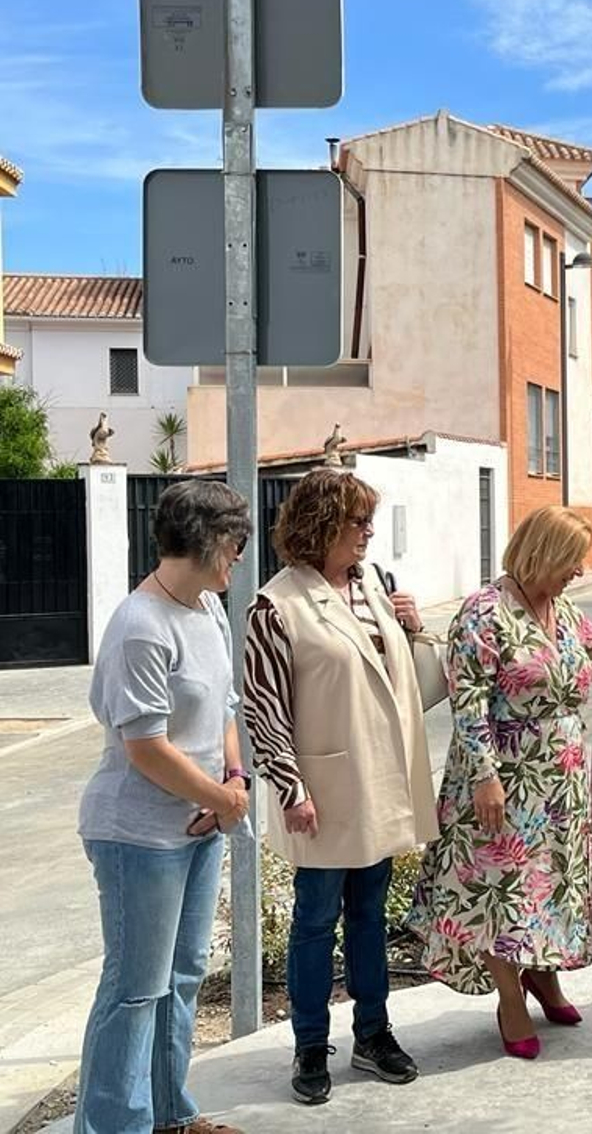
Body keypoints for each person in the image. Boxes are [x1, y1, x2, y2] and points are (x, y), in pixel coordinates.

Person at [408, 506, 592, 1060]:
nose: (578, 573)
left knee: (551, 886)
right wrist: (485, 777)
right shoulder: (483, 612)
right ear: (543, 554)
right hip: (500, 782)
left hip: (559, 783)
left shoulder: (565, 612)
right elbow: (469, 703)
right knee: (503, 890)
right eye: (571, 562)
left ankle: (544, 976)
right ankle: (511, 997)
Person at [243, 469, 438, 1106]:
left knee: (368, 917)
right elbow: (264, 707)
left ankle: (374, 1034)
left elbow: (407, 687)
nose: (368, 533)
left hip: (377, 783)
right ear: (321, 523)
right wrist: (290, 785)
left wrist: (411, 630)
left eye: (367, 521)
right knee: (315, 918)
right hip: (321, 790)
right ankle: (308, 1044)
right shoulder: (276, 606)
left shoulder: (375, 588)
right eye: (357, 521)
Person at [75, 479, 252, 1134]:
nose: (238, 559)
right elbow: (145, 747)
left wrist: (231, 779)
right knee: (134, 990)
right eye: (234, 546)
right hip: (138, 836)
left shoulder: (206, 609)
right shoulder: (140, 628)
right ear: (205, 543)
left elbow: (224, 712)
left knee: (179, 979)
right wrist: (222, 800)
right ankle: (114, 1126)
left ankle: (171, 1116)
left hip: (198, 824)